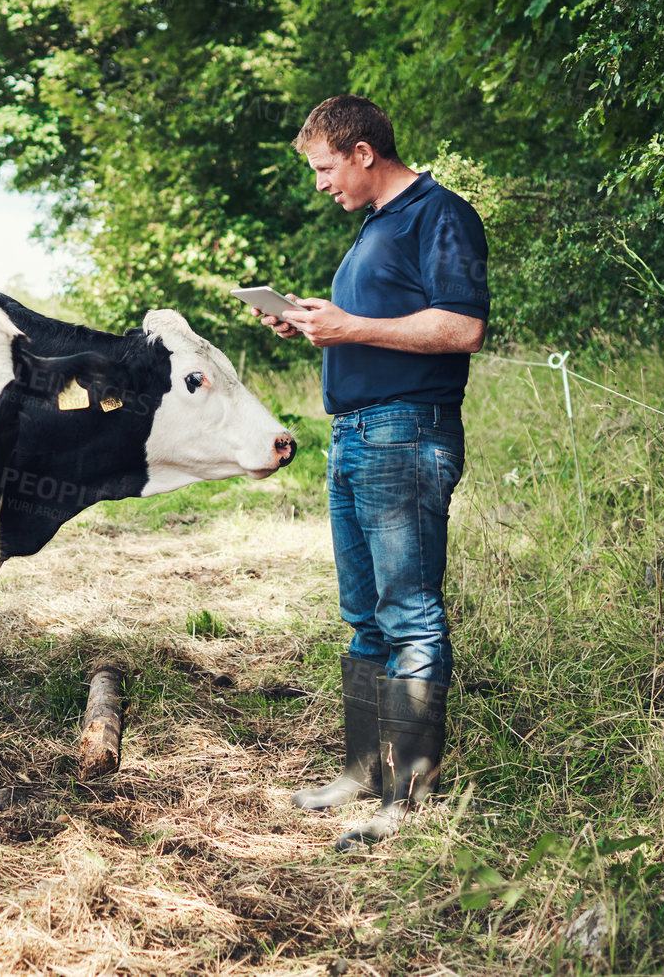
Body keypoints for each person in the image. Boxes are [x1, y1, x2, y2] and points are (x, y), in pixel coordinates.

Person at [252, 95, 488, 850]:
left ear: (361, 152)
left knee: (408, 613)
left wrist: (348, 325)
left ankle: (408, 797)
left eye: (324, 168)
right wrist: (309, 325)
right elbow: (378, 331)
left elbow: (461, 326)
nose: (319, 183)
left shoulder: (437, 214)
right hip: (353, 434)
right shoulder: (372, 228)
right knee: (363, 616)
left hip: (403, 434)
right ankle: (362, 768)